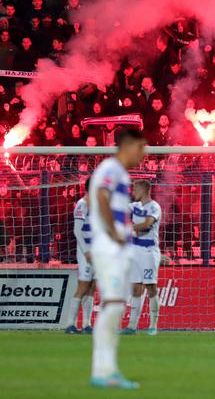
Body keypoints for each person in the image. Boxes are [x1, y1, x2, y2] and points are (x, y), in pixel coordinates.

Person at [88, 128, 147, 389]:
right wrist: (112, 233)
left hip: (117, 247)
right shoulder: (111, 168)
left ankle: (107, 369)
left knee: (115, 306)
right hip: (110, 246)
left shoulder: (120, 172)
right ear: (130, 145)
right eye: (141, 148)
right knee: (112, 305)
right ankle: (103, 371)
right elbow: (100, 195)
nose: (143, 154)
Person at [121, 179, 162, 336]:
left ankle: (153, 325)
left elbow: (147, 224)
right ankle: (132, 326)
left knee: (151, 288)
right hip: (135, 250)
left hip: (149, 251)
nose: (133, 193)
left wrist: (128, 227)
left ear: (144, 190)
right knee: (136, 289)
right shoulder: (134, 206)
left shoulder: (154, 207)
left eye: (135, 190)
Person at [64, 177, 96, 335]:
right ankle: (70, 324)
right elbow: (77, 231)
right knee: (83, 286)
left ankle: (87, 324)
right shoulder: (82, 205)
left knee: (92, 288)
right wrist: (86, 251)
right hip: (86, 252)